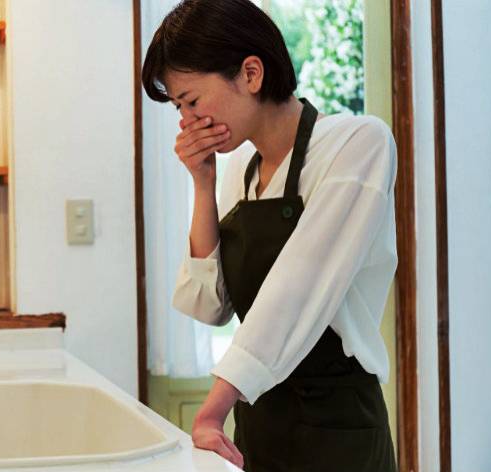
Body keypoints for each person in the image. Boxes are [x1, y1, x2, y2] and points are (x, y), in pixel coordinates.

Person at [141, 1, 399, 471]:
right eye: (180, 109)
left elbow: (297, 290)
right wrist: (202, 183)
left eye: (192, 101)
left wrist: (213, 407)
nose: (187, 122)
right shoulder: (241, 167)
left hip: (337, 428)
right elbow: (208, 304)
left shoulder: (358, 145)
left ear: (251, 74)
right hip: (258, 422)